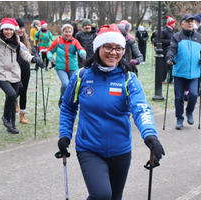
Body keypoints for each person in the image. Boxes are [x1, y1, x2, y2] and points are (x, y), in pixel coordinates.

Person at [55, 23, 165, 200]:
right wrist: (64, 134)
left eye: (118, 48)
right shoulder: (81, 76)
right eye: (108, 47)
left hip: (120, 149)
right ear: (98, 47)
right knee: (101, 195)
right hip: (89, 148)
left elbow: (141, 108)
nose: (113, 52)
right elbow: (68, 107)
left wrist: (150, 135)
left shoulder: (129, 79)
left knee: (115, 197)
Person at [0, 18, 45, 134]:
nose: (8, 32)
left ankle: (11, 126)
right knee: (12, 94)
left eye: (10, 29)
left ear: (14, 30)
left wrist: (34, 59)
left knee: (13, 100)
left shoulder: (18, 43)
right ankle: (6, 117)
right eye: (6, 29)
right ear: (2, 30)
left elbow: (26, 55)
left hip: (15, 74)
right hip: (1, 74)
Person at [166, 14, 201, 130]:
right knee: (179, 98)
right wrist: (169, 59)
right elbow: (171, 49)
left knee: (194, 95)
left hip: (194, 73)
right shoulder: (177, 37)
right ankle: (179, 118)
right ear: (182, 24)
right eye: (187, 21)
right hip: (179, 72)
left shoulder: (200, 37)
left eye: (192, 21)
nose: (190, 23)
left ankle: (189, 112)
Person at [46, 24, 87, 108]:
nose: (68, 34)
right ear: (62, 32)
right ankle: (62, 98)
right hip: (61, 68)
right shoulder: (57, 41)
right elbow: (49, 51)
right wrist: (50, 58)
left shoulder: (75, 41)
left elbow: (81, 49)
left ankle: (70, 101)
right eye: (66, 32)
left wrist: (83, 53)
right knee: (65, 84)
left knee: (74, 85)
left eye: (69, 32)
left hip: (73, 67)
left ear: (72, 32)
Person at [15, 18, 38, 124]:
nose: (21, 30)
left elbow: (33, 50)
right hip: (14, 69)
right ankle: (13, 101)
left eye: (23, 27)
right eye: (19, 27)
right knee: (18, 88)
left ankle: (22, 115)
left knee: (24, 91)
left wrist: (37, 59)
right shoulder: (11, 39)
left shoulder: (26, 38)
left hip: (25, 67)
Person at [161, 16, 175, 84]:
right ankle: (163, 79)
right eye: (173, 23)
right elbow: (160, 40)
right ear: (170, 23)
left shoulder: (173, 31)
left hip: (171, 50)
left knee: (171, 65)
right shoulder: (164, 31)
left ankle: (170, 79)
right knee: (164, 66)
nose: (174, 25)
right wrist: (169, 42)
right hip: (165, 50)